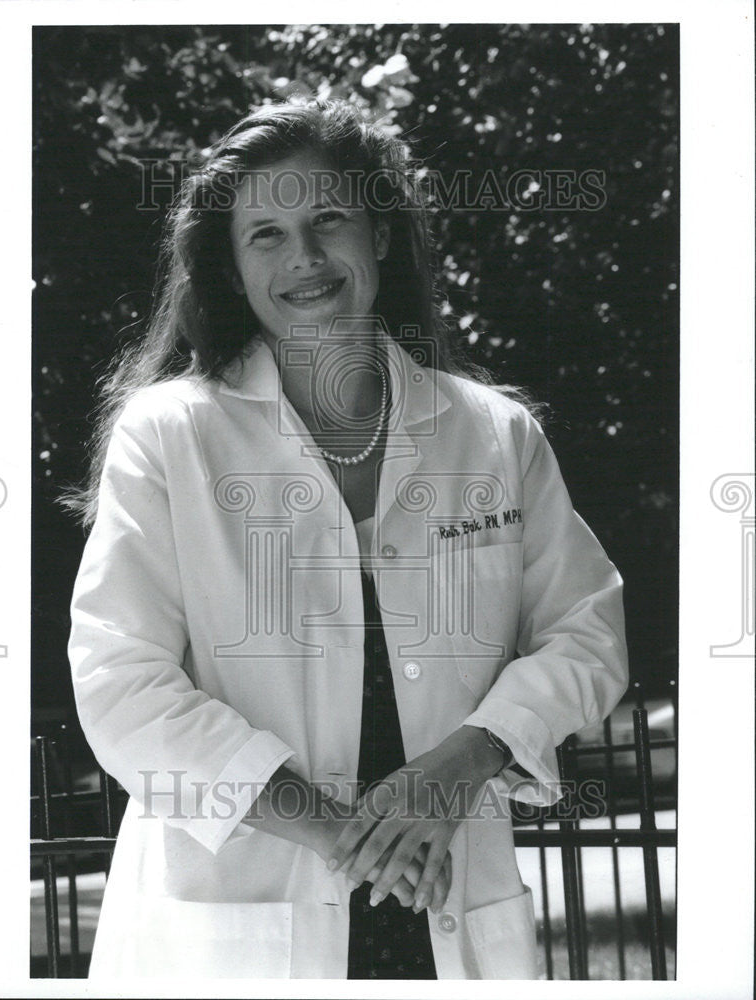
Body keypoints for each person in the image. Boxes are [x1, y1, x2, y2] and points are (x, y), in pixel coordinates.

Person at [65, 99, 628, 979]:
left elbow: (587, 633)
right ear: (233, 265)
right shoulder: (169, 434)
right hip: (241, 916)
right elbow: (120, 686)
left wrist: (457, 766)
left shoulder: (493, 432)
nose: (304, 259)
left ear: (382, 236)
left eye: (328, 219)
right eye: (266, 234)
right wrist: (349, 836)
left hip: (446, 908)